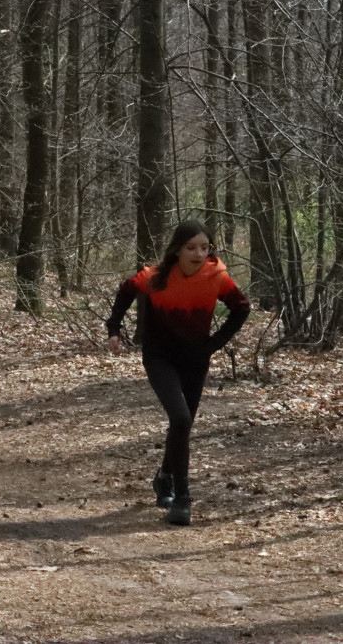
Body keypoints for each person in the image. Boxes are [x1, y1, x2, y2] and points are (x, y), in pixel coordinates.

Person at [106, 220, 250, 526]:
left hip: (195, 359)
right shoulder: (155, 277)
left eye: (205, 248)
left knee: (182, 426)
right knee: (181, 418)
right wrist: (114, 329)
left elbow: (241, 308)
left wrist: (214, 343)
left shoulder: (217, 276)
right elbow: (125, 291)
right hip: (160, 357)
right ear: (177, 250)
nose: (198, 254)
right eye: (191, 247)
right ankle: (183, 499)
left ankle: (165, 476)